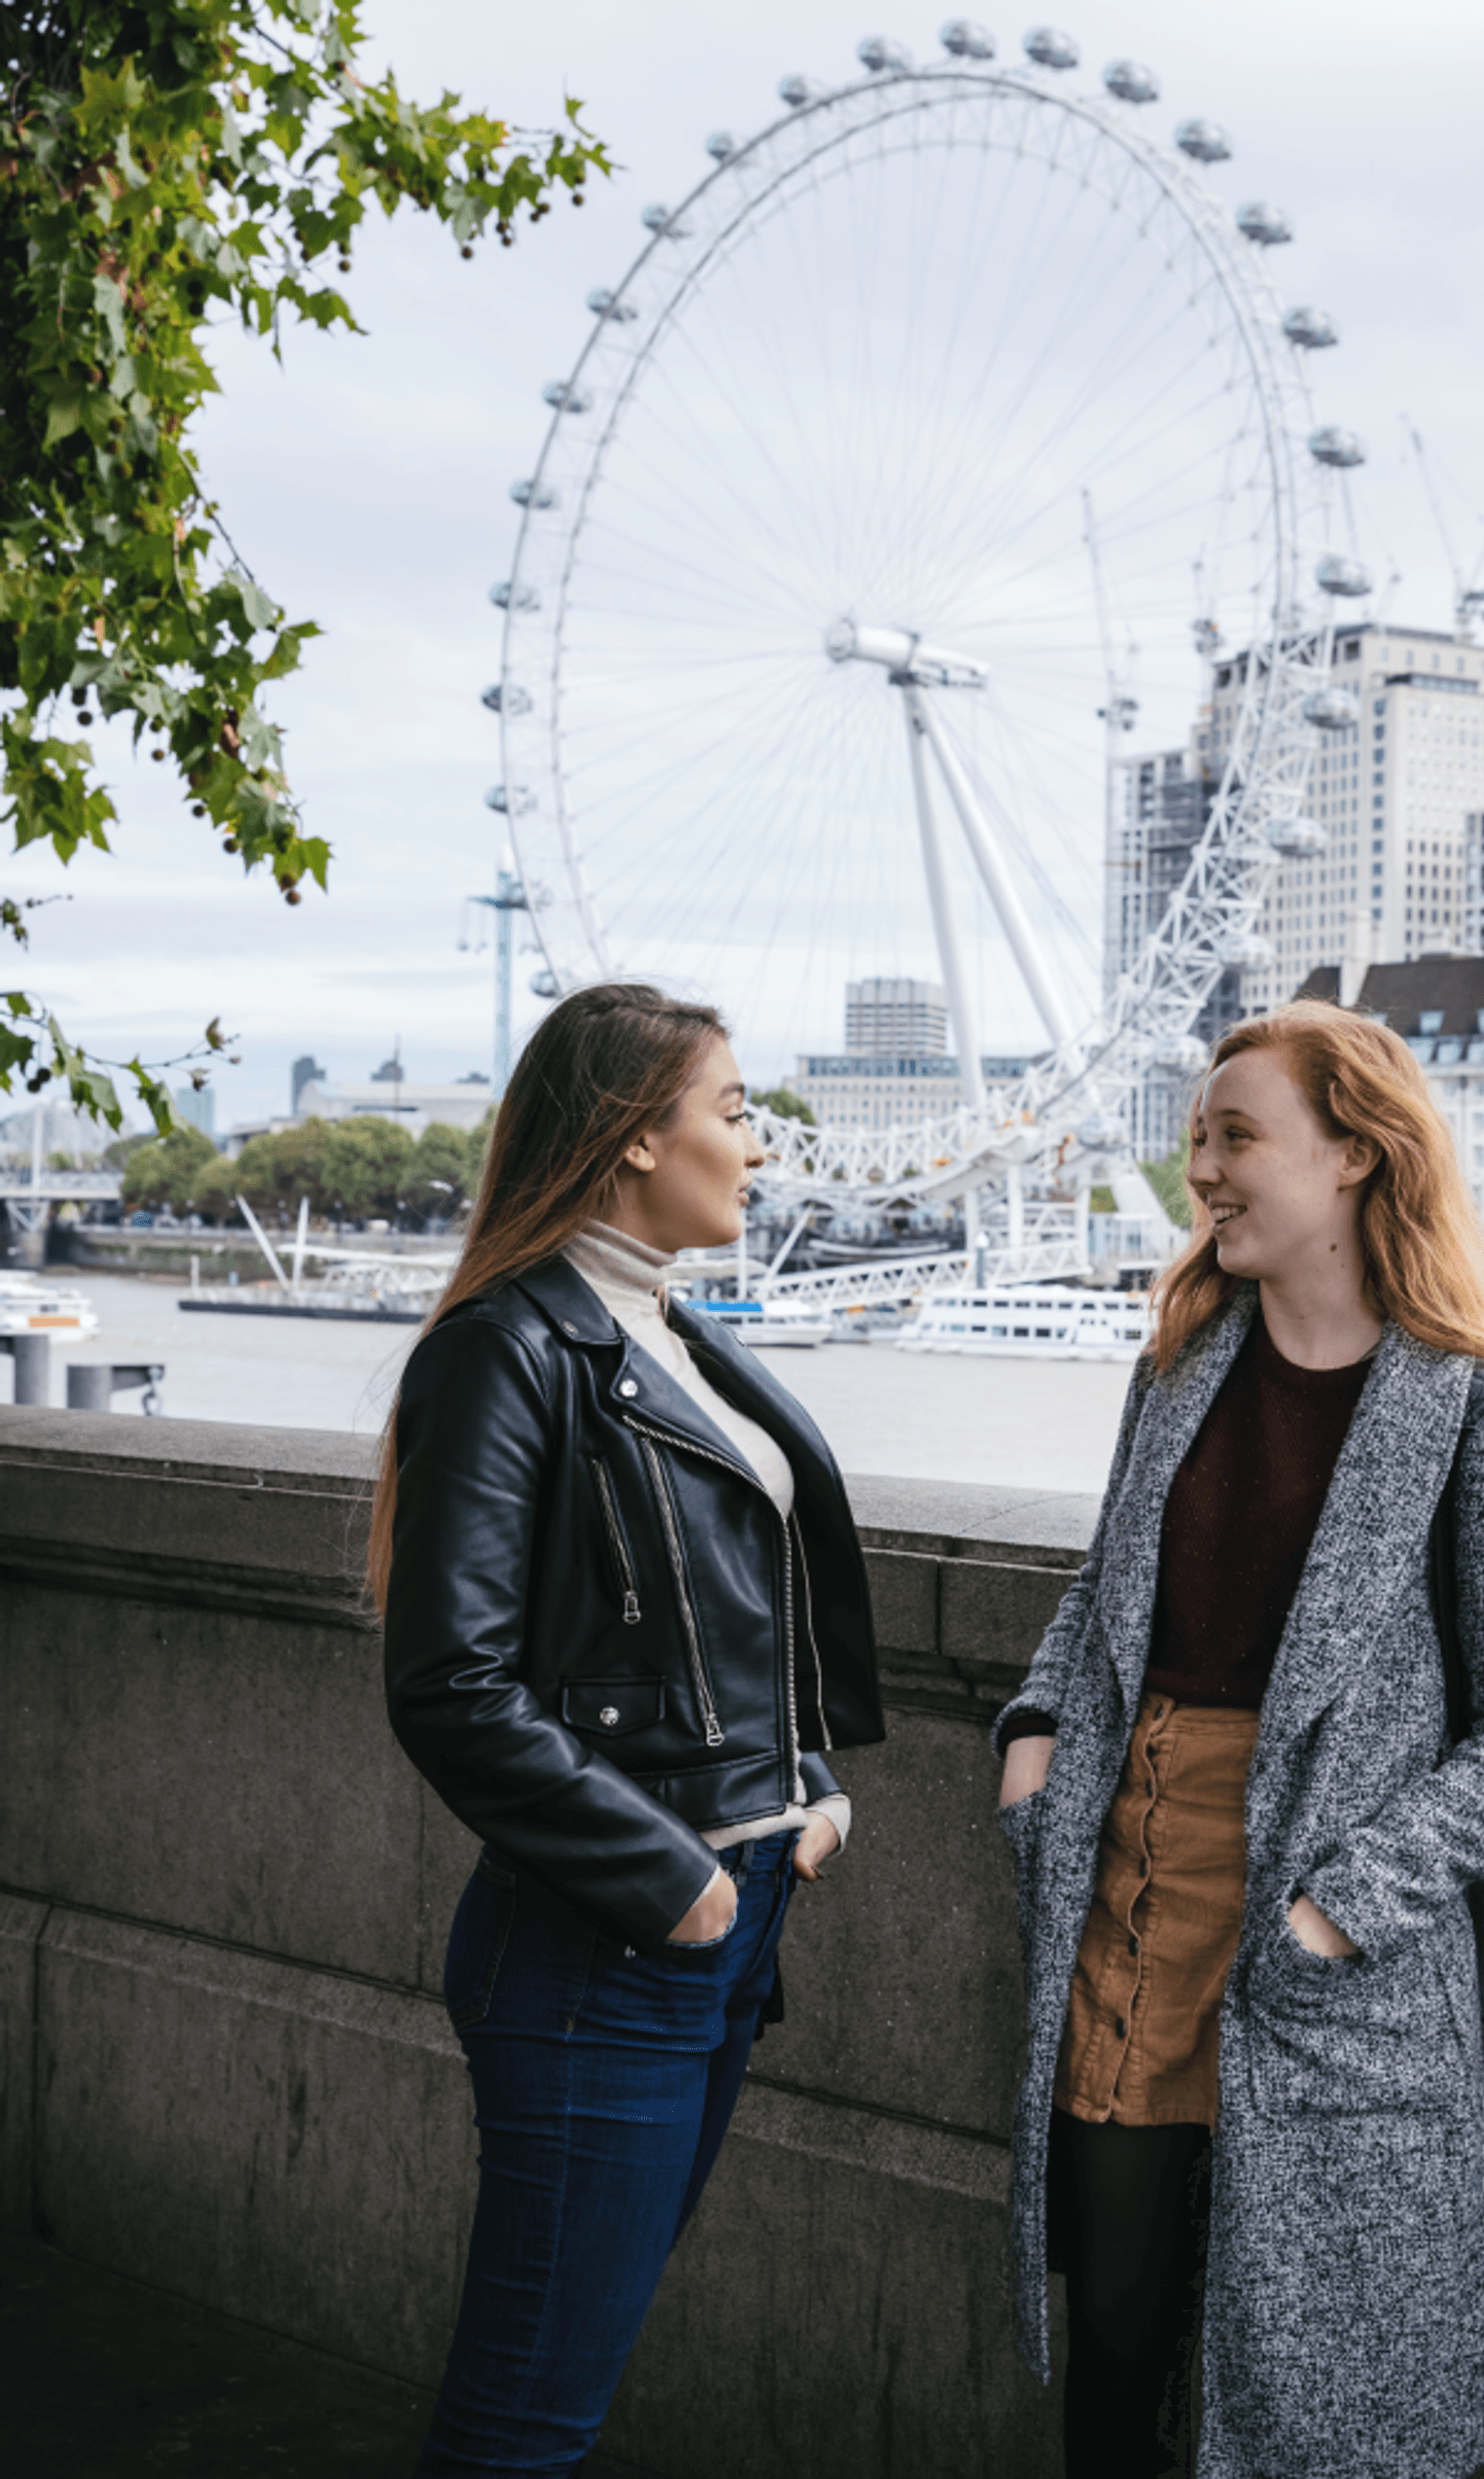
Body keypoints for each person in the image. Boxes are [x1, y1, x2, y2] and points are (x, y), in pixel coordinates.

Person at [993, 1000, 1484, 2479]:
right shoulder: (1180, 1366)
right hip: (1127, 1909)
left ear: (1356, 1157)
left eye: (1237, 1135)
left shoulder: (1478, 1416)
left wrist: (1344, 1906)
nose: (1201, 1165)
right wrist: (1033, 1731)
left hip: (1329, 1953)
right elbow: (1102, 1593)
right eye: (1198, 1135)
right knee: (1119, 2348)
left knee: (1326, 2403)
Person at [372, 982, 883, 2476]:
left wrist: (810, 1786)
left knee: (558, 2380)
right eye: (733, 1110)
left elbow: (721, 1612)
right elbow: (451, 1683)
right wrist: (681, 1881)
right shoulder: (510, 1345)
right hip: (611, 1947)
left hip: (721, 1927)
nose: (758, 1144)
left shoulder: (663, 1334)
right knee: (527, 2415)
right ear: (629, 1139)